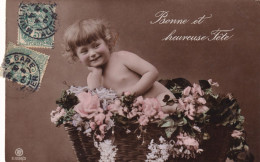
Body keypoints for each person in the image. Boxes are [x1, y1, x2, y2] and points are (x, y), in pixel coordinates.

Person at [63, 19, 177, 113]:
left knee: (168, 109)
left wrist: (131, 93)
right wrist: (96, 74)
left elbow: (152, 72)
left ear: (107, 42)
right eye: (84, 51)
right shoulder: (92, 78)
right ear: (77, 57)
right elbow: (98, 101)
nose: (92, 53)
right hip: (139, 114)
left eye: (96, 45)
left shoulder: (122, 57)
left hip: (160, 98)